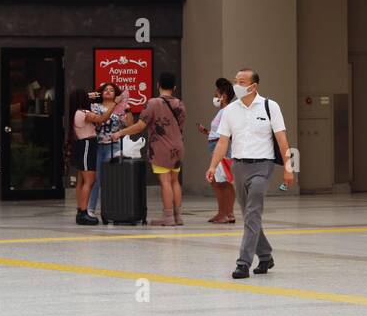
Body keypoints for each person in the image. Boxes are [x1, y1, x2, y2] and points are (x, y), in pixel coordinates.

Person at [206, 69, 294, 279]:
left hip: (262, 167)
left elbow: (282, 139)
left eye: (241, 81)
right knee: (249, 216)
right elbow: (223, 141)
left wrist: (289, 168)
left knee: (253, 213)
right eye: (236, 81)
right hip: (239, 166)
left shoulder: (270, 106)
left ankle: (243, 263)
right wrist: (212, 166)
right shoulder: (230, 111)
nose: (237, 84)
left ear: (253, 86)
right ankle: (265, 255)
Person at [112, 72, 186, 226]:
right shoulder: (179, 103)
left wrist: (121, 132)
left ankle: (168, 216)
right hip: (178, 146)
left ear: (158, 85)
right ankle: (178, 216)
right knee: (175, 181)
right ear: (174, 87)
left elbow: (140, 125)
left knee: (165, 181)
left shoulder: (153, 103)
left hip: (161, 147)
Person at [83, 82, 128, 221]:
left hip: (113, 145)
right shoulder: (95, 106)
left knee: (111, 180)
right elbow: (94, 119)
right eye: (106, 89)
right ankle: (91, 209)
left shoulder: (121, 108)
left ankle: (111, 209)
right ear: (101, 93)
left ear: (116, 94)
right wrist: (88, 97)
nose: (108, 91)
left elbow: (129, 125)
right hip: (97, 145)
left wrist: (127, 108)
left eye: (112, 90)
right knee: (95, 179)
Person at [197, 78, 236, 224]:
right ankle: (228, 213)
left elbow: (226, 134)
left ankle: (223, 213)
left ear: (223, 96)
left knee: (218, 181)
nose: (214, 98)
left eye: (216, 94)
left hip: (220, 147)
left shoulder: (226, 111)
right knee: (224, 180)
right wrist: (207, 132)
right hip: (218, 144)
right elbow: (221, 132)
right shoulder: (223, 112)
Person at [69, 89, 101, 225]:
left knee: (81, 181)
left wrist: (88, 96)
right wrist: (114, 105)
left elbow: (79, 97)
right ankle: (83, 212)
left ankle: (80, 210)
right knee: (90, 180)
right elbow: (102, 119)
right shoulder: (84, 113)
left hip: (81, 144)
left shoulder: (75, 112)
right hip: (87, 144)